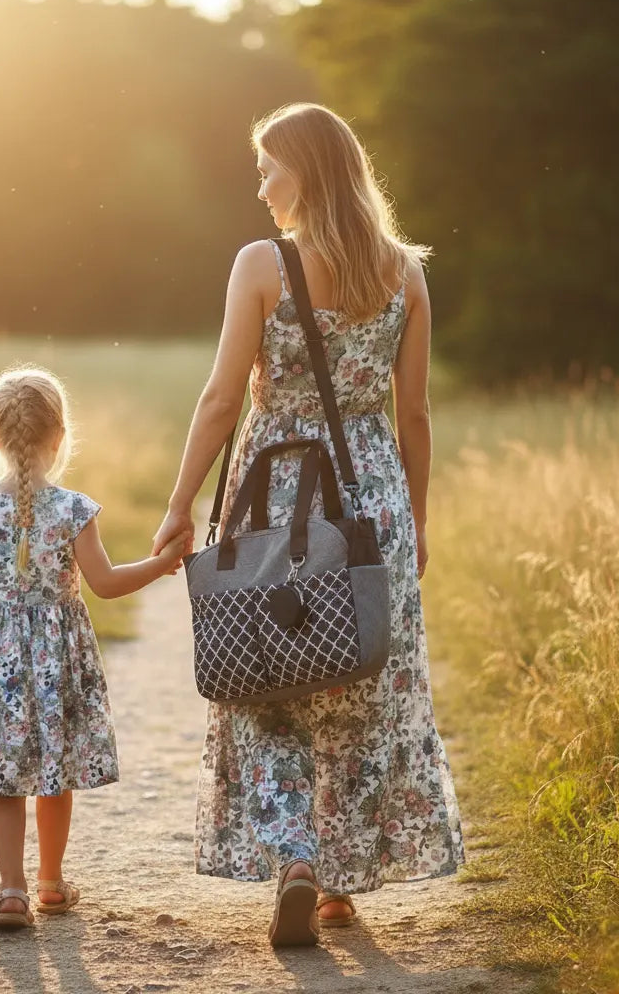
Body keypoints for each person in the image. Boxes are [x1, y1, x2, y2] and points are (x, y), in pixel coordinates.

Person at [152, 103, 465, 946]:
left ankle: (293, 855)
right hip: (369, 502)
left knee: (266, 677)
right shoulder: (405, 273)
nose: (260, 187)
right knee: (355, 681)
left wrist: (180, 505)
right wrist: (417, 519)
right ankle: (336, 885)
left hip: (274, 496)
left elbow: (221, 398)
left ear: (309, 171)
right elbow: (414, 416)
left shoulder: (263, 264)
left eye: (269, 169)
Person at [0, 367, 188, 929]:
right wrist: (160, 564)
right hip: (57, 664)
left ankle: (11, 891)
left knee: (4, 780)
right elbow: (105, 583)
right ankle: (51, 884)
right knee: (53, 774)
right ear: (59, 437)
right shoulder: (73, 510)